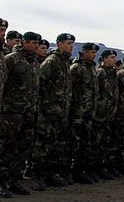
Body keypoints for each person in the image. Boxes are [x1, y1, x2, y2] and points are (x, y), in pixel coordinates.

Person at [31, 33, 75, 191]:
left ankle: (51, 173)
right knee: (43, 144)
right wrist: (43, 105)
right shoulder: (52, 61)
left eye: (72, 43)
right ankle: (37, 175)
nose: (71, 46)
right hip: (48, 112)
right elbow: (39, 84)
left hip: (61, 113)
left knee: (57, 145)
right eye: (68, 43)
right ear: (60, 44)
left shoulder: (65, 62)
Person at [0, 32, 40, 198]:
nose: (36, 46)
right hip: (11, 112)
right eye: (33, 43)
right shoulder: (12, 59)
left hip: (28, 111)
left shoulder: (35, 62)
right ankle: (1, 181)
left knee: (23, 147)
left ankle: (13, 178)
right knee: (6, 146)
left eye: (37, 43)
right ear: (24, 42)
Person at [66, 42, 101, 185]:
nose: (94, 55)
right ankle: (67, 172)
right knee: (73, 143)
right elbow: (69, 89)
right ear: (84, 52)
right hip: (77, 113)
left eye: (95, 53)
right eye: (92, 53)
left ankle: (79, 171)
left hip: (88, 113)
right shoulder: (77, 68)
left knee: (85, 144)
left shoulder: (91, 69)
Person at [93, 50, 121, 178]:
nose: (114, 60)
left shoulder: (112, 73)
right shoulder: (101, 73)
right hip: (100, 114)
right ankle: (95, 168)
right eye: (111, 58)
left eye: (114, 57)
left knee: (106, 142)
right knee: (96, 143)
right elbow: (96, 94)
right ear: (104, 59)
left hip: (109, 113)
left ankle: (103, 167)